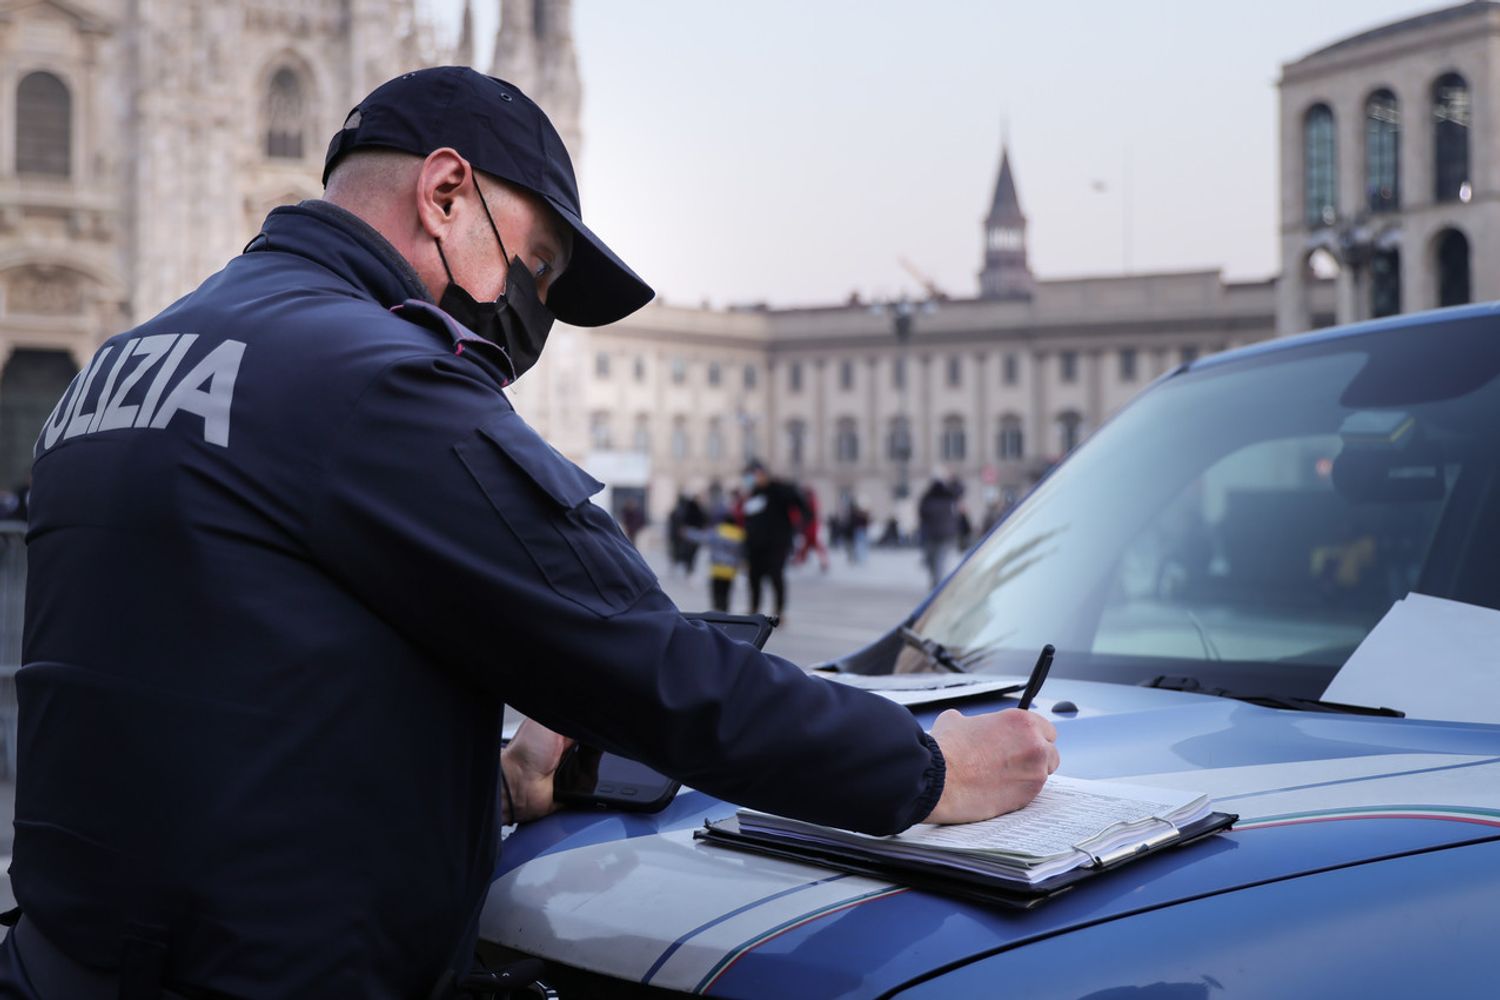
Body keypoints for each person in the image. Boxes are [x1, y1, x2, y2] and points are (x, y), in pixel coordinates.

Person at [3, 67, 1058, 999]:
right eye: (536, 264)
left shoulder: (126, 360)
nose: (529, 307)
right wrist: (923, 767)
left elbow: (220, 680)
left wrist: (483, 780)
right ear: (447, 191)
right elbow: (652, 662)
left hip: (66, 957)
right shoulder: (370, 375)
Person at [739, 460, 809, 620]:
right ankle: (754, 609)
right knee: (754, 577)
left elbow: (801, 505)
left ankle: (779, 611)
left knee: (776, 576)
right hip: (755, 545)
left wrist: (800, 528)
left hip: (776, 544)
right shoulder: (752, 494)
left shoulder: (779, 489)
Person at [918, 473, 963, 589]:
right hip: (946, 535)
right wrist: (954, 479)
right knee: (939, 562)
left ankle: (936, 586)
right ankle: (936, 585)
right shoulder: (948, 498)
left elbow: (921, 514)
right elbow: (960, 490)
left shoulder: (928, 499)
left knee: (934, 562)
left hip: (933, 535)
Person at [702, 511, 745, 612]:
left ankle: (717, 608)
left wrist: (687, 533)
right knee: (726, 592)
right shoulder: (739, 534)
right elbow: (742, 552)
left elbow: (703, 538)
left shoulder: (717, 531)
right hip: (730, 570)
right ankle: (725, 610)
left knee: (716, 591)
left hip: (717, 568)